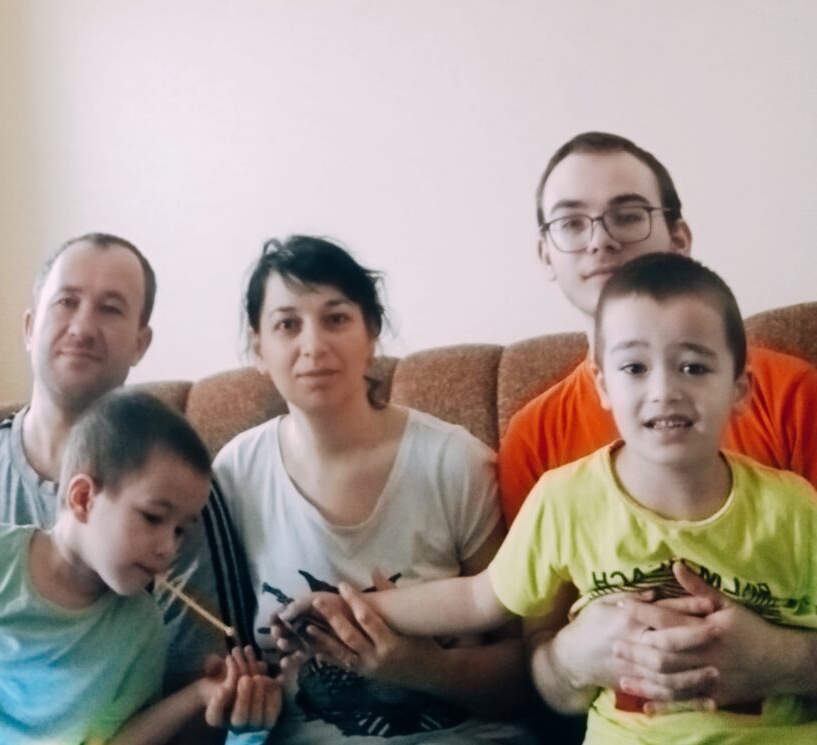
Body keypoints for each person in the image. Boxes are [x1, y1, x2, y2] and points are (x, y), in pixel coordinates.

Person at [285, 253, 817, 744]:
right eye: (635, 368)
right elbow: (477, 599)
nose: (664, 390)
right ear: (602, 386)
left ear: (740, 390)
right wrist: (355, 607)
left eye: (694, 367)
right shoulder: (566, 500)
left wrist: (780, 656)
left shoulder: (793, 509)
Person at [0, 233, 248, 741]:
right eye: (66, 301)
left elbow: (190, 692)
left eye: (111, 309)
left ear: (141, 343)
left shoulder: (184, 501)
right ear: (30, 326)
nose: (83, 326)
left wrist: (225, 697)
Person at [495, 133, 817, 713]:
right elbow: (536, 661)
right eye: (571, 223)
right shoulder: (534, 435)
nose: (600, 239)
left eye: (627, 215)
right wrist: (569, 659)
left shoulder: (793, 395)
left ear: (680, 238)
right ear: (546, 255)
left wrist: (783, 659)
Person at [211, 236, 534, 744]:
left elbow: (524, 673)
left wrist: (420, 666)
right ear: (258, 348)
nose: (313, 345)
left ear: (372, 332)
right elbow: (213, 655)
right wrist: (238, 699)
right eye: (287, 325)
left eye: (336, 318)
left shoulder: (453, 461)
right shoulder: (234, 475)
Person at [0, 390, 281, 744]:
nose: (169, 548)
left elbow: (117, 739)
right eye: (153, 517)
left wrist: (197, 695)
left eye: (181, 531)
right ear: (83, 498)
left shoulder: (140, 628)